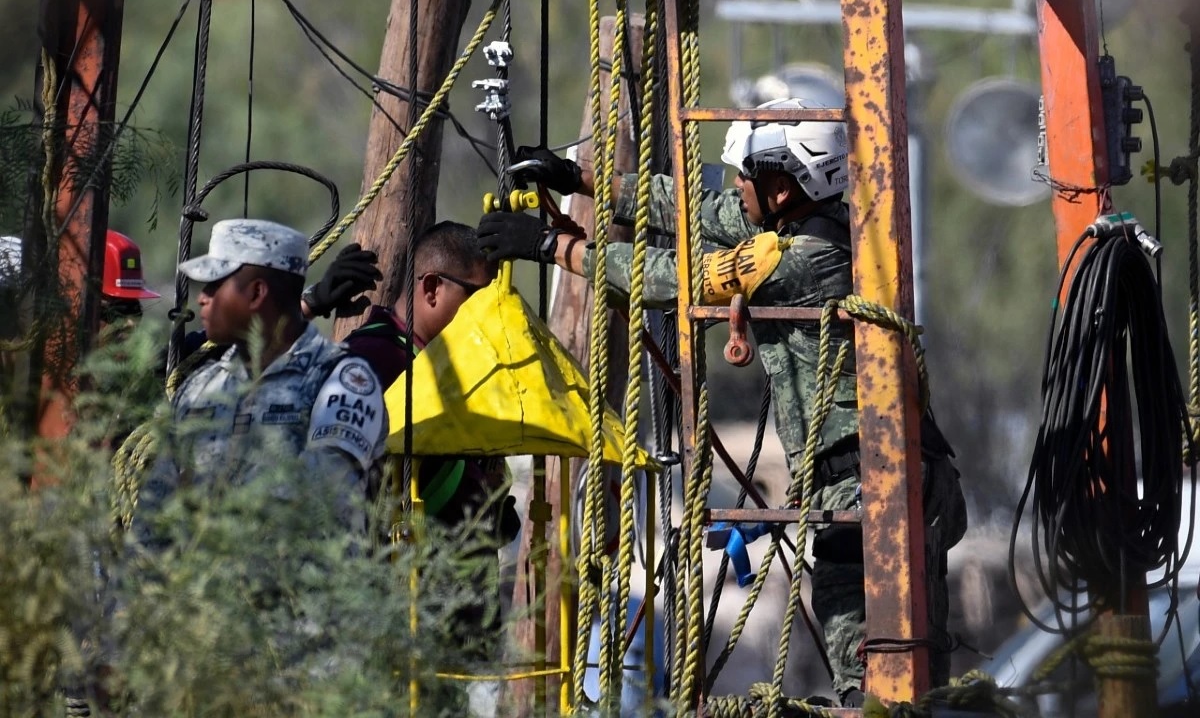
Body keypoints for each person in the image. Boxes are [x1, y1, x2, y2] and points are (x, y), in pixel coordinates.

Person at [476, 100, 967, 707]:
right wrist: (578, 177)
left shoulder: (804, 260)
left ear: (784, 189)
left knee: (875, 678)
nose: (736, 185)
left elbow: (676, 278)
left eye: (745, 173)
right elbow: (696, 207)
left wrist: (555, 247)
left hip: (873, 489)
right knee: (886, 673)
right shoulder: (800, 227)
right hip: (862, 481)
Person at [138, 218, 388, 537]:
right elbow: (153, 513)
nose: (203, 297)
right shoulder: (199, 388)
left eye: (215, 284)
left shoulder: (340, 382)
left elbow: (322, 500)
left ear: (256, 293)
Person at [342, 220, 519, 657]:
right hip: (396, 624)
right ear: (433, 288)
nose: (487, 314)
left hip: (452, 624)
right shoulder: (372, 365)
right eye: (477, 297)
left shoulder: (454, 368)